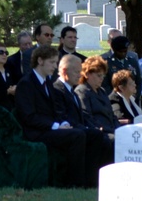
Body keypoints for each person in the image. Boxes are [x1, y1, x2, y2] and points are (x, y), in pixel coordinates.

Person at [13, 46, 88, 187]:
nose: (55, 66)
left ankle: (89, 180)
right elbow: (28, 116)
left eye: (56, 62)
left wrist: (63, 123)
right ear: (40, 60)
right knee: (77, 136)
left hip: (48, 129)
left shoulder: (47, 82)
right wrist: (55, 126)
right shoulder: (26, 84)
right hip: (35, 133)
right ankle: (75, 184)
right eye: (52, 62)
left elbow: (55, 111)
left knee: (86, 133)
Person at [51, 54, 113, 185]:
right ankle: (87, 182)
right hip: (67, 130)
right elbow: (62, 116)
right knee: (98, 136)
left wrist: (90, 127)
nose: (80, 75)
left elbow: (82, 117)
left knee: (99, 136)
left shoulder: (71, 91)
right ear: (64, 71)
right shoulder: (57, 89)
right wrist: (86, 128)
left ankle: (96, 181)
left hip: (80, 128)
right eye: (76, 71)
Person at [75, 56, 119, 136]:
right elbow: (87, 118)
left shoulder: (102, 91)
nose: (102, 78)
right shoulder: (82, 91)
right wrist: (107, 130)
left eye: (103, 76)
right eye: (99, 75)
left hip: (112, 130)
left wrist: (119, 129)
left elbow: (112, 115)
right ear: (87, 74)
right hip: (99, 133)